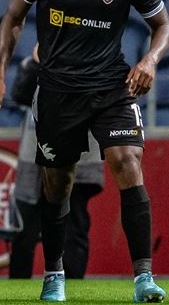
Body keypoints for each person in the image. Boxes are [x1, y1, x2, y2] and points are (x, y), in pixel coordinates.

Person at [0, 0, 169, 303]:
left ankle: (143, 278)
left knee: (127, 161)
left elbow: (163, 25)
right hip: (56, 91)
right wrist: (0, 74)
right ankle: (54, 275)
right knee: (58, 184)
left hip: (111, 87)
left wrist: (151, 61)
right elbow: (12, 18)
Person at [8, 45, 105, 280]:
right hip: (34, 158)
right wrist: (38, 62)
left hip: (78, 159)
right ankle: (17, 284)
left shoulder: (94, 61)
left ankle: (71, 282)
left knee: (74, 226)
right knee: (24, 227)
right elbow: (20, 94)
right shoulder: (34, 64)